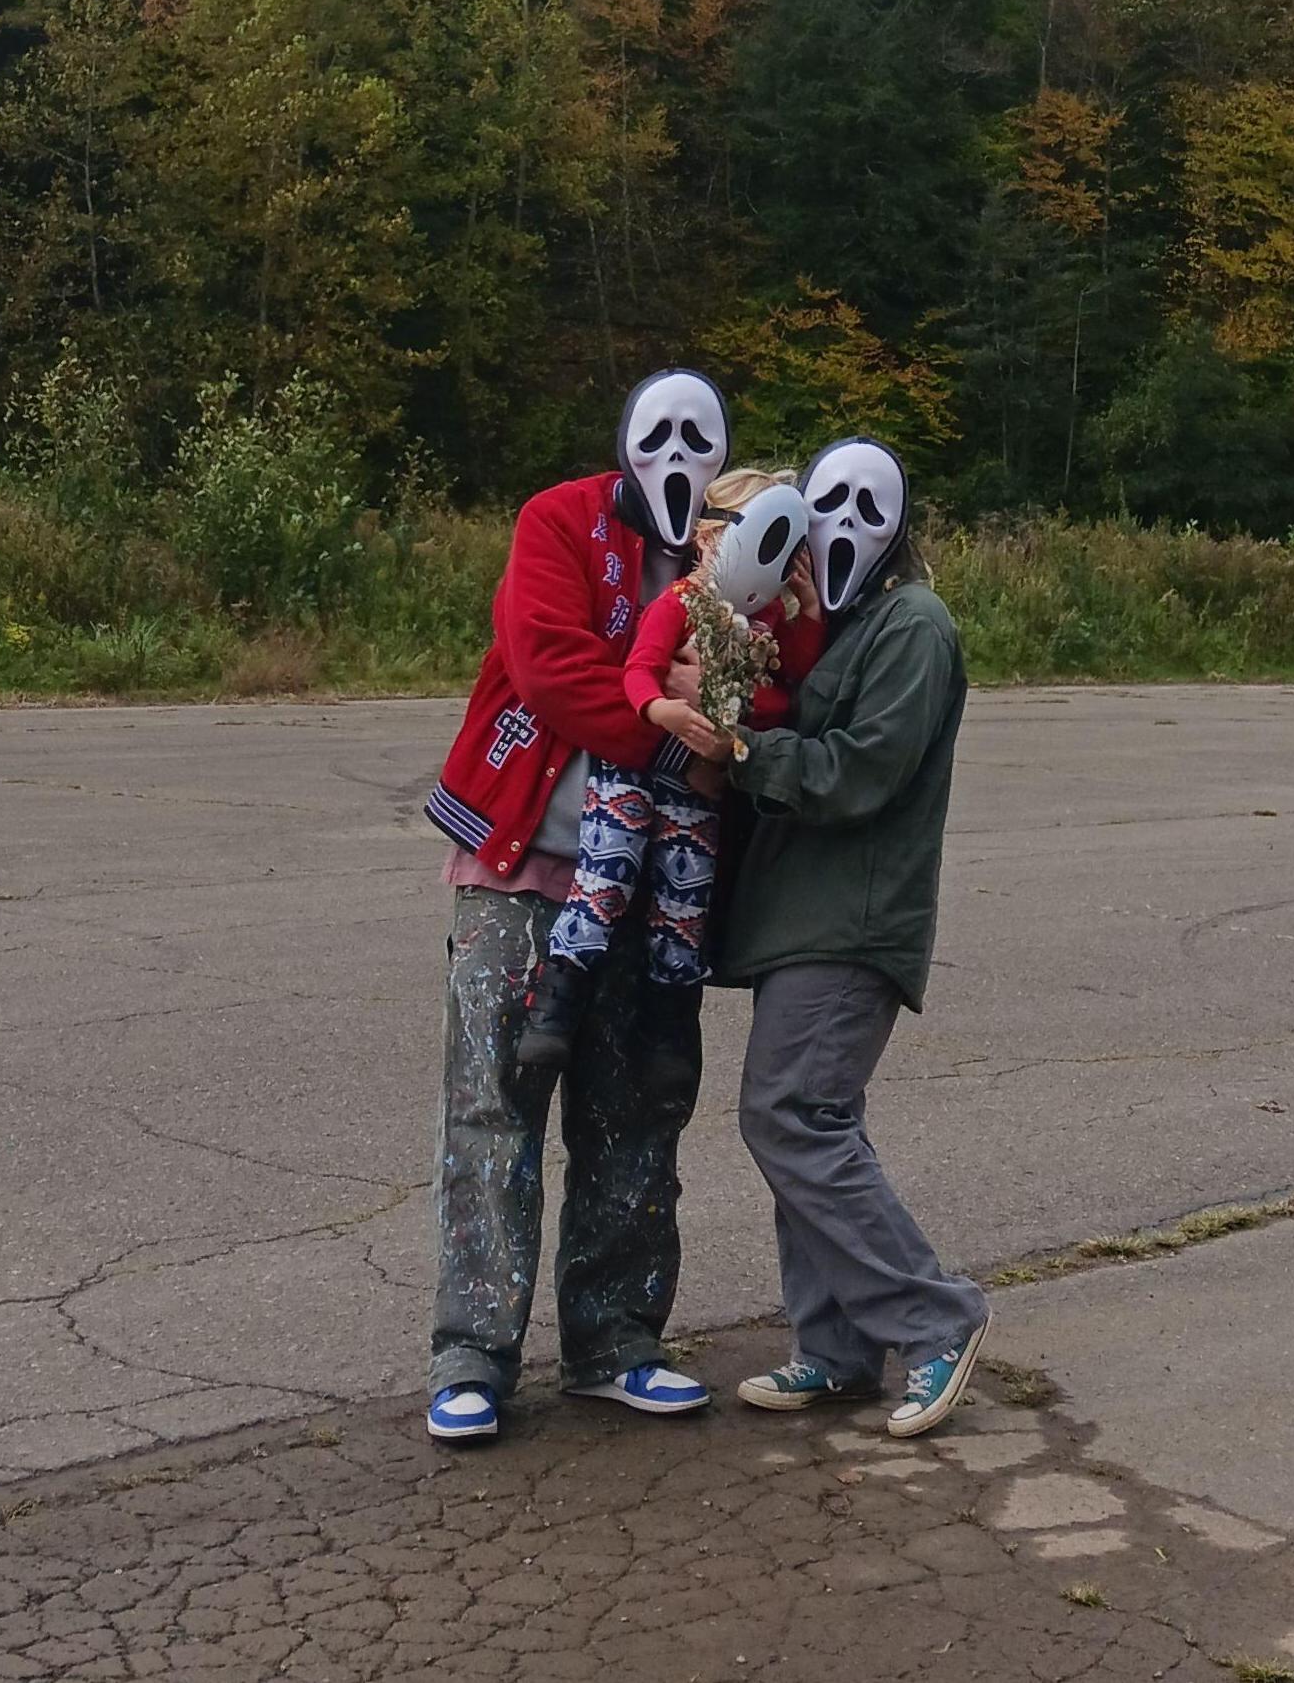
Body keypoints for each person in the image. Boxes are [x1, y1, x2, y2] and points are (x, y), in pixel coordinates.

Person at [419, 369, 736, 1448]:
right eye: (663, 430)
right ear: (627, 438)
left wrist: (723, 703)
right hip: (520, 866)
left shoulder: (726, 554)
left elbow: (764, 683)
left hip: (657, 887)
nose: (682, 450)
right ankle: (473, 1354)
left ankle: (615, 1340)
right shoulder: (558, 520)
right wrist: (671, 716)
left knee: (636, 1110)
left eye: (705, 433)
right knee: (493, 1106)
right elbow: (547, 664)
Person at [708, 435, 990, 1439]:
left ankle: (935, 1318)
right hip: (806, 917)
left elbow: (860, 771)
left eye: (853, 508)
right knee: (810, 1120)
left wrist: (743, 749)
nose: (830, 529)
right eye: (817, 509)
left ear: (893, 523)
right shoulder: (848, 622)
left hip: (854, 919)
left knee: (791, 1113)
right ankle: (834, 1348)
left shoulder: (911, 625)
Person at [514, 471, 820, 1075]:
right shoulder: (681, 603)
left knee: (687, 889)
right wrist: (661, 708)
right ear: (710, 538)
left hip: (692, 781)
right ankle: (554, 999)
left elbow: (792, 682)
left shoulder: (761, 629)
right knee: (610, 870)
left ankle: (668, 1021)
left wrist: (806, 609)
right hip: (633, 762)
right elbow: (639, 669)